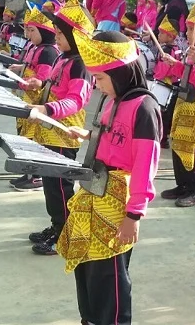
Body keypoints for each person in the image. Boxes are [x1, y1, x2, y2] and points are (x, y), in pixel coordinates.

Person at [58, 31, 161, 325]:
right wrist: (88, 134)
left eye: (100, 78)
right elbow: (114, 137)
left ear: (121, 72)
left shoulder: (144, 108)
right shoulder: (111, 99)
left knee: (110, 275)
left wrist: (133, 215)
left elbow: (145, 165)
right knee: (86, 264)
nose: (95, 84)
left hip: (117, 202)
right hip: (93, 190)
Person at [23, 0, 93, 254]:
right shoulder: (62, 58)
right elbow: (55, 87)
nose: (57, 36)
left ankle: (67, 234)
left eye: (62, 33)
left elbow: (75, 100)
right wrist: (39, 85)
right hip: (48, 130)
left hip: (64, 135)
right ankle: (57, 225)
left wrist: (47, 108)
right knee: (50, 187)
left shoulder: (81, 65)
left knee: (61, 190)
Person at [159, 4, 195, 207]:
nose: (188, 32)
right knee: (178, 143)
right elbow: (185, 74)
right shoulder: (193, 51)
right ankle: (182, 185)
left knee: (191, 146)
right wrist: (173, 64)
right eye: (189, 28)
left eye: (193, 28)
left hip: (194, 104)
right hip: (182, 100)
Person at [6, 7, 61, 191]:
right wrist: (20, 69)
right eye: (27, 30)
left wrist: (33, 82)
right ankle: (29, 172)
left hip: (36, 104)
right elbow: (30, 67)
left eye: (32, 30)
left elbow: (42, 79)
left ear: (45, 31)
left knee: (32, 140)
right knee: (24, 137)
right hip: (25, 99)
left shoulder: (48, 52)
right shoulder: (36, 48)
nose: (28, 34)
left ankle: (36, 176)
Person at [151, 16, 182, 149]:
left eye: (162, 33)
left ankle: (160, 138)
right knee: (167, 114)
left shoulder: (167, 51)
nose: (158, 34)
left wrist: (154, 75)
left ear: (170, 36)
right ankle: (164, 139)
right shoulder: (177, 48)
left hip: (165, 84)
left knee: (161, 112)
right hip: (174, 84)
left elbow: (163, 71)